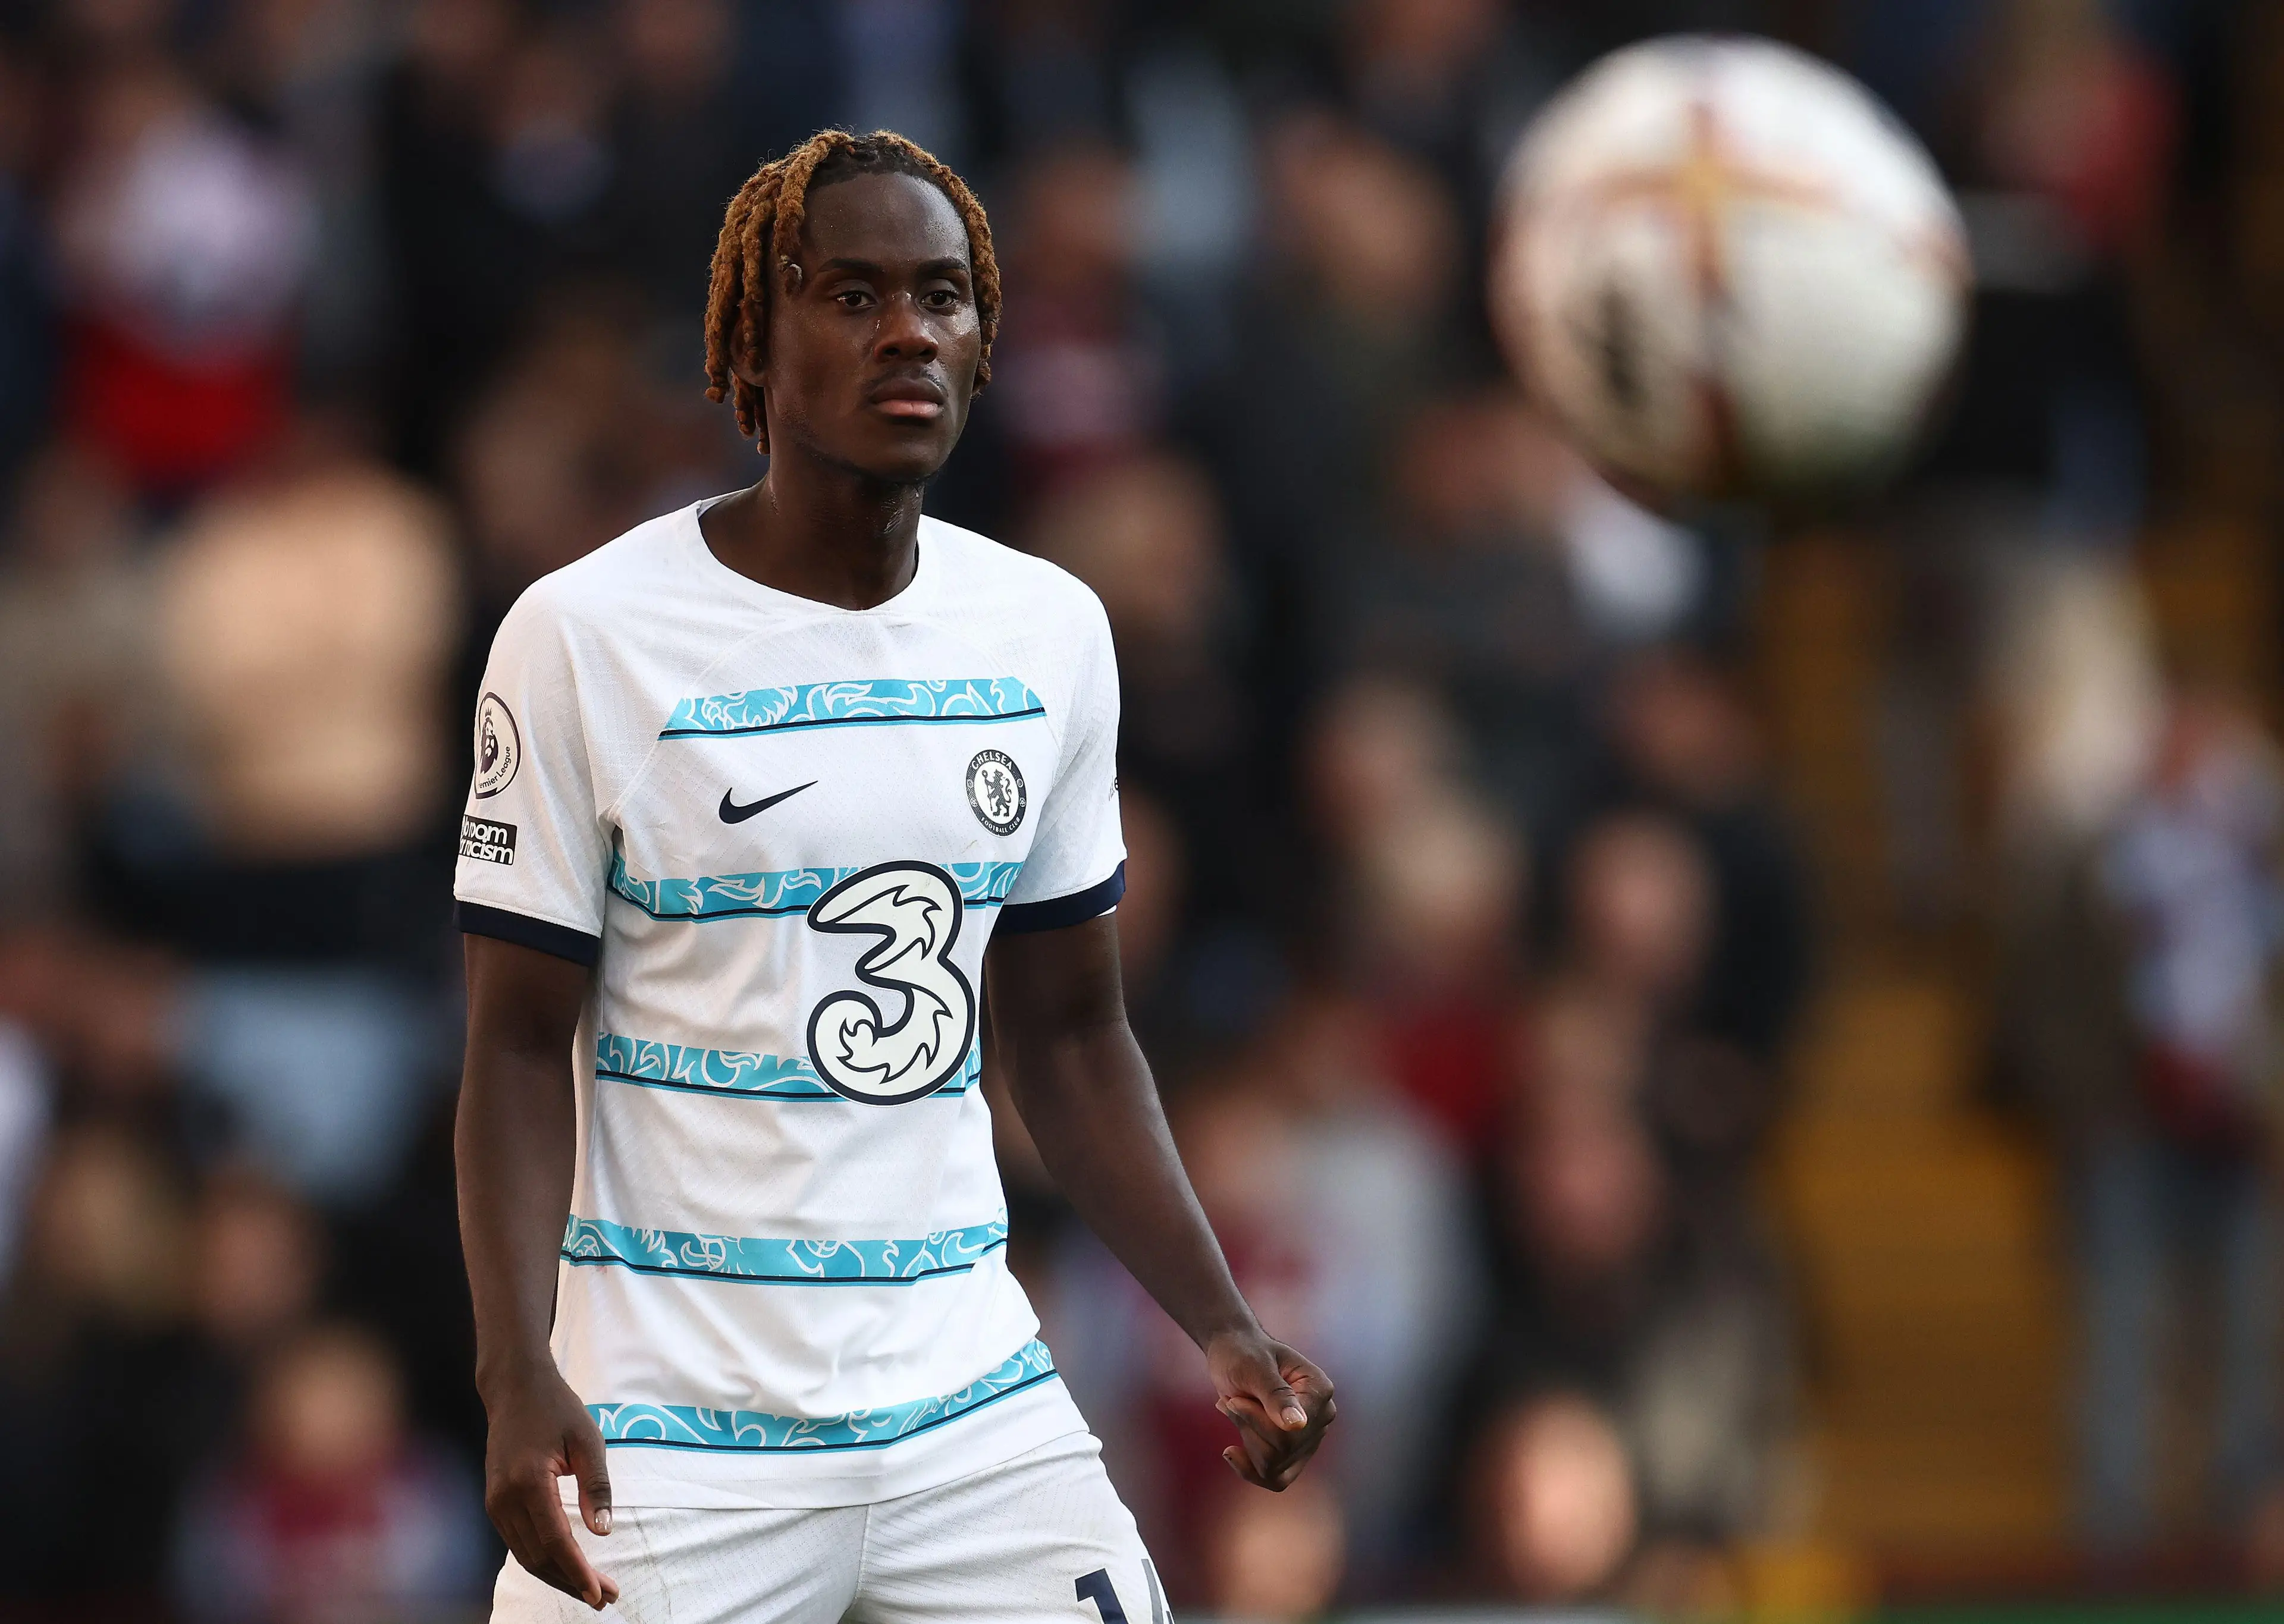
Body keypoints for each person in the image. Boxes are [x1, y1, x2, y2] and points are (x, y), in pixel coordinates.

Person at [453, 129, 1335, 1622]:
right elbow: (519, 1043)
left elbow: (1065, 1032)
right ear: (754, 336)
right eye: (850, 294)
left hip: (970, 1411)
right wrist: (515, 1369)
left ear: (987, 346)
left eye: (942, 296)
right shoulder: (583, 636)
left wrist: (1221, 1323)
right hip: (673, 1439)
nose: (908, 328)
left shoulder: (1047, 633)